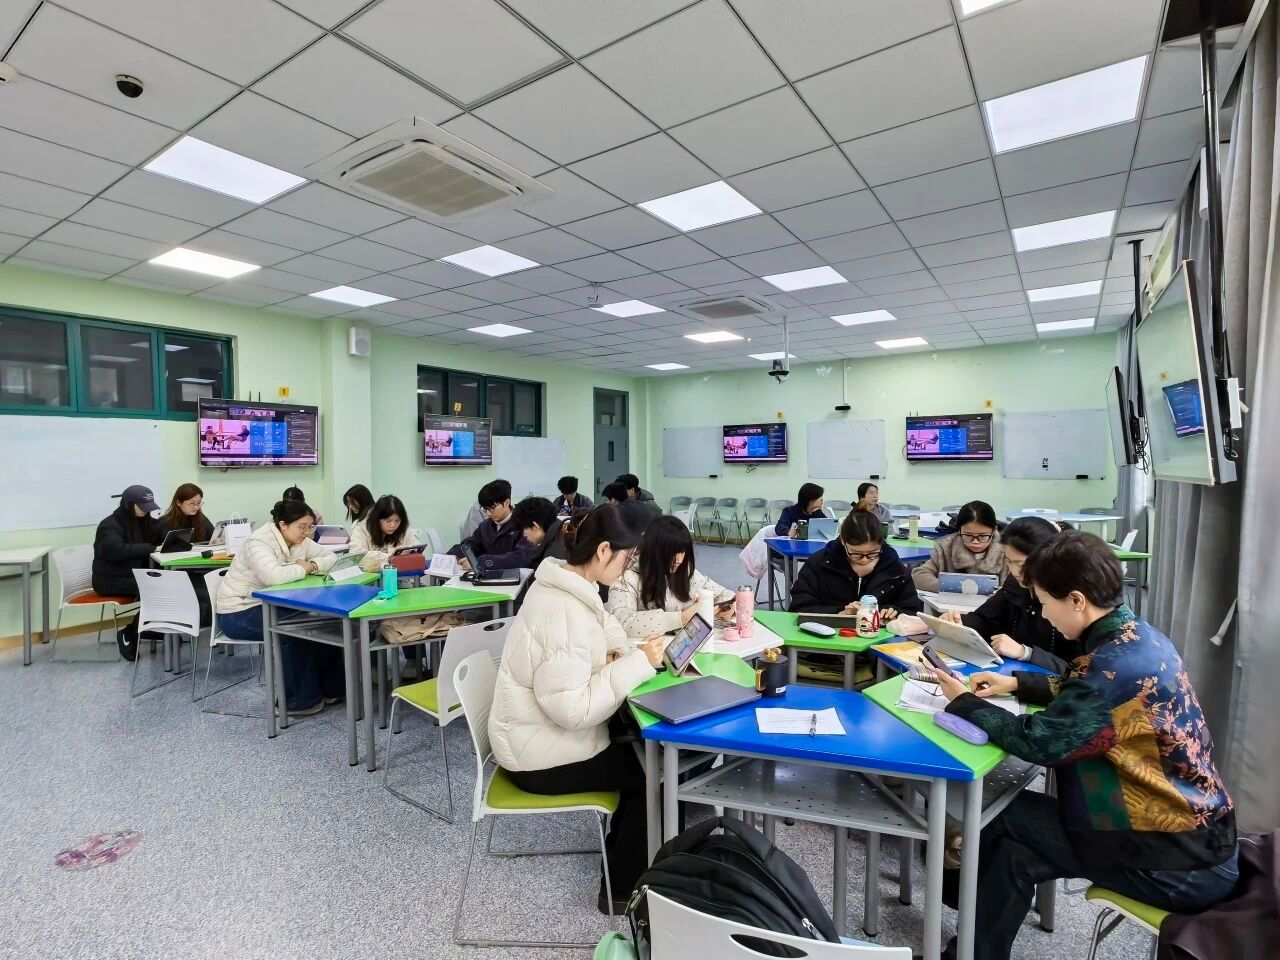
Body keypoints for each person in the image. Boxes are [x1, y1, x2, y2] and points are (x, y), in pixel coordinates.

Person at [934, 532, 1238, 960]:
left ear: (1076, 600)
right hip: (1201, 842)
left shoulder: (1111, 667)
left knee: (998, 812)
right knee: (1015, 852)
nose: (1043, 613)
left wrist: (963, 703)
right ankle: (969, 952)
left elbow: (1039, 742)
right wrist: (1018, 683)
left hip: (1174, 861)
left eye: (1044, 601)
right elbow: (1092, 694)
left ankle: (952, 900)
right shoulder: (1138, 638)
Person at [488, 507, 665, 915]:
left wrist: (621, 651)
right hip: (538, 758)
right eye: (626, 558)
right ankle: (622, 890)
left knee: (641, 752)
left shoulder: (570, 584)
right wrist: (637, 664)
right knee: (650, 772)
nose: (627, 568)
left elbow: (608, 627)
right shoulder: (563, 611)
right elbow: (572, 710)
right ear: (603, 550)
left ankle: (630, 860)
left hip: (535, 736)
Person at [215, 498, 342, 717]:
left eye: (310, 527)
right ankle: (299, 702)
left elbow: (331, 556)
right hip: (239, 611)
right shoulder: (259, 542)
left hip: (273, 604)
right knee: (292, 632)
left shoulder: (300, 540)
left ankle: (331, 690)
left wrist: (312, 564)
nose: (307, 532)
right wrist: (303, 569)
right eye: (302, 527)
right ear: (283, 525)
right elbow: (273, 576)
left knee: (323, 622)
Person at [940, 516, 1080, 671]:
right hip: (1014, 673)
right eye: (1009, 561)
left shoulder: (1070, 599)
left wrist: (1026, 653)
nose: (1014, 571)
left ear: (1046, 559)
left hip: (1048, 681)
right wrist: (960, 624)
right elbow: (987, 619)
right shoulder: (1015, 583)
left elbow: (1081, 670)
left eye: (1021, 564)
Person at [608, 515, 735, 636]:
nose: (679, 560)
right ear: (655, 551)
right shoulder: (627, 577)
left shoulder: (684, 571)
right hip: (646, 649)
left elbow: (723, 594)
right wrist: (682, 618)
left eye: (682, 552)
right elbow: (622, 621)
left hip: (683, 645)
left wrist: (729, 606)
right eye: (672, 553)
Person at [789, 509, 922, 617]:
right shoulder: (819, 564)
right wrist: (840, 613)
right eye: (856, 554)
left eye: (872, 553)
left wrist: (894, 613)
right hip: (829, 638)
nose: (864, 559)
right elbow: (798, 608)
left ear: (881, 544)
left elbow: (913, 611)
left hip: (879, 639)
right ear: (843, 541)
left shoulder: (895, 569)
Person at [92, 484, 165, 661]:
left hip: (134, 575)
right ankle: (129, 634)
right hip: (109, 579)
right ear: (128, 504)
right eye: (142, 507)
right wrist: (152, 548)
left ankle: (150, 626)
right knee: (156, 589)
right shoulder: (109, 525)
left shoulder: (144, 521)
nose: (146, 511)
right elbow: (116, 550)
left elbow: (159, 534)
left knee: (166, 585)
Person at [912, 499, 1007, 592]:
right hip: (950, 602)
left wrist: (1000, 594)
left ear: (994, 530)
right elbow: (919, 575)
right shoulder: (946, 548)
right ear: (959, 530)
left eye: (982, 536)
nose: (975, 542)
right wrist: (949, 588)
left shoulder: (1008, 551)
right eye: (968, 535)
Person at [159, 482, 215, 627]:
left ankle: (213, 626)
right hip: (177, 572)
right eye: (191, 503)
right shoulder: (165, 522)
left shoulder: (201, 518)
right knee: (204, 592)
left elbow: (213, 538)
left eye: (199, 503)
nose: (196, 507)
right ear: (179, 502)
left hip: (199, 568)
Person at [448, 479, 534, 572]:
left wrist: (481, 562)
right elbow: (471, 545)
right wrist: (450, 556)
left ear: (507, 502)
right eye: (485, 509)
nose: (488, 513)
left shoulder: (524, 524)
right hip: (490, 576)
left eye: (492, 508)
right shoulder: (485, 526)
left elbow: (521, 558)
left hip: (517, 576)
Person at [510, 496, 567, 612]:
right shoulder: (560, 535)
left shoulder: (555, 555)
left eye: (523, 529)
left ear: (535, 526)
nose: (523, 535)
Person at [349, 494, 419, 568]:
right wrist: (388, 558)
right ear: (377, 519)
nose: (393, 525)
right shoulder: (361, 530)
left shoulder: (404, 530)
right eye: (388, 521)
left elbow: (417, 549)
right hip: (372, 574)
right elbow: (356, 555)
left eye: (397, 521)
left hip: (400, 573)